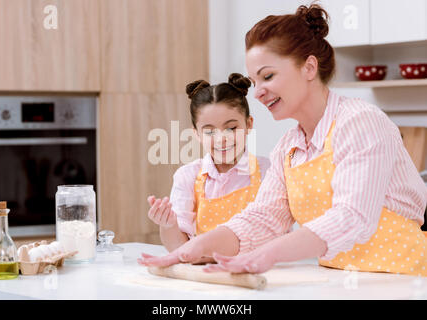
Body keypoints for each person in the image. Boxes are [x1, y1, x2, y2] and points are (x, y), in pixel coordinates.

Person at [139, 4, 427, 276]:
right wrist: (189, 251)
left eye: (268, 76)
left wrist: (269, 255)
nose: (259, 92)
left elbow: (352, 217)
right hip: (340, 281)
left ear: (309, 68)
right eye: (255, 82)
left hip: (406, 280)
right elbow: (262, 219)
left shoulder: (360, 123)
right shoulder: (288, 149)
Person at [147, 73, 270, 252]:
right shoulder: (187, 176)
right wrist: (168, 225)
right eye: (209, 132)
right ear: (196, 133)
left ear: (248, 124)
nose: (221, 139)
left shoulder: (268, 171)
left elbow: (277, 233)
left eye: (231, 128)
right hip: (206, 273)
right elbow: (178, 249)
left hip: (261, 271)